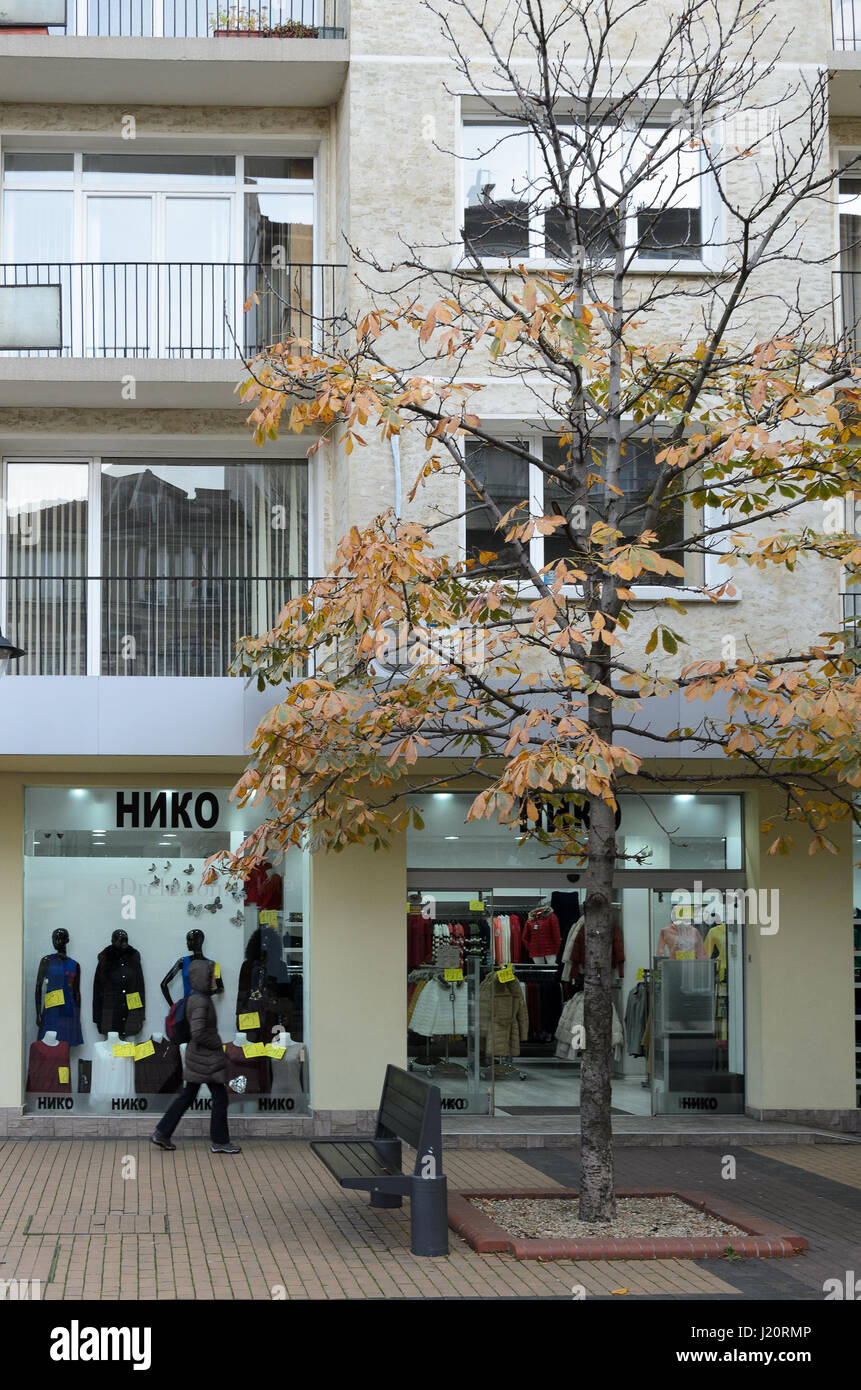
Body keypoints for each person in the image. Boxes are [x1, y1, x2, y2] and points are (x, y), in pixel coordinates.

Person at [150, 957, 240, 1155]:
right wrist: (217, 1042)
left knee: (187, 1096)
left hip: (198, 1057)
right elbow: (198, 1032)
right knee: (220, 1099)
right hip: (205, 1058)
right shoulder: (200, 1001)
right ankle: (220, 1141)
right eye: (212, 976)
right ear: (203, 977)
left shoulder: (196, 997)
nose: (215, 980)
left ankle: (162, 1132)